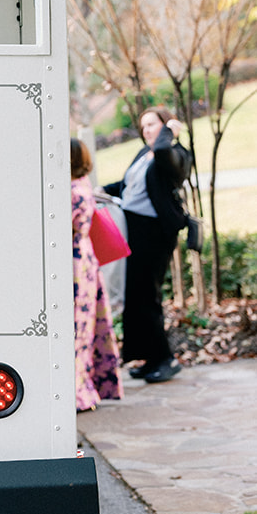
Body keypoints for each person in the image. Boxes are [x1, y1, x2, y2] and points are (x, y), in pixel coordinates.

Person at [102, 106, 192, 384]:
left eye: (152, 124)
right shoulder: (144, 153)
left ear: (167, 125)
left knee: (148, 295)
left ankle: (166, 360)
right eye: (143, 127)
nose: (147, 131)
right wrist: (103, 190)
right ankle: (148, 357)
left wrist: (170, 133)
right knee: (135, 295)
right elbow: (127, 184)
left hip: (155, 234)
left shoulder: (176, 154)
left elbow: (164, 151)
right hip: (134, 230)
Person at [70, 137, 123, 412]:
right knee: (88, 326)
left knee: (76, 328)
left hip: (75, 264)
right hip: (87, 259)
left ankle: (77, 391)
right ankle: (87, 387)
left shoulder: (71, 192)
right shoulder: (83, 184)